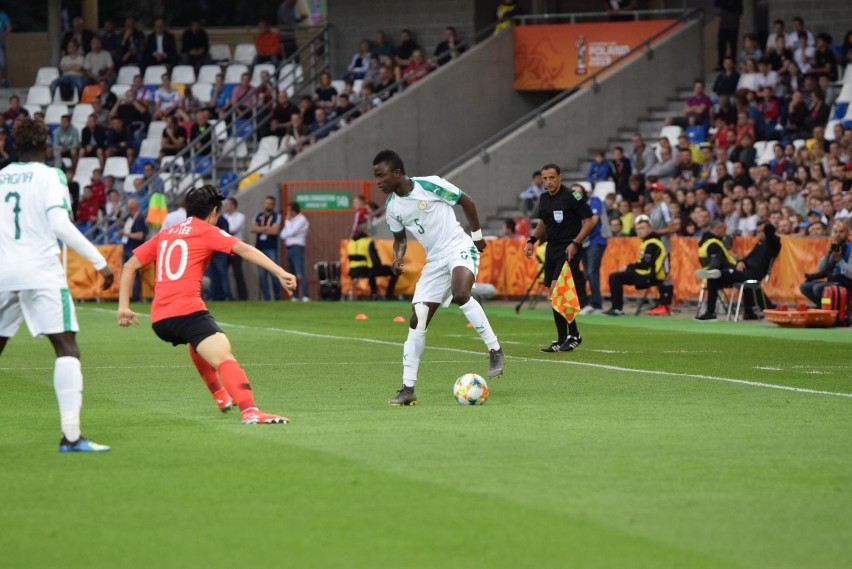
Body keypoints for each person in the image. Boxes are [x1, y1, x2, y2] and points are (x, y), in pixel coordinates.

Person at [117, 185, 296, 424]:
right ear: (213, 213)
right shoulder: (207, 230)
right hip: (187, 311)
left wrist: (123, 306)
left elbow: (129, 265)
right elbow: (242, 248)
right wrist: (279, 271)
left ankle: (221, 396)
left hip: (160, 320)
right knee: (224, 357)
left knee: (198, 341)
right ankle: (250, 410)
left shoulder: (167, 233)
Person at [0, 117, 113, 452]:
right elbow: (59, 224)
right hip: (41, 273)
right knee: (67, 348)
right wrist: (100, 263)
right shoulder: (51, 176)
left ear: (13, 145)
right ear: (46, 146)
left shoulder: (2, 178)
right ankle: (72, 436)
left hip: (4, 273)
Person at [373, 149, 503, 406]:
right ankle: (408, 388)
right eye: (376, 176)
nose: (378, 181)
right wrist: (397, 257)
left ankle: (495, 349)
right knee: (417, 320)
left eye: (381, 175)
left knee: (461, 293)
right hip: (434, 262)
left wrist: (477, 237)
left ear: (397, 173)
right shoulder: (392, 207)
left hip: (458, 248)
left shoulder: (430, 185)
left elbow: (467, 201)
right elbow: (400, 239)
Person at [523, 164, 595, 352]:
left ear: (559, 177)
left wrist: (576, 242)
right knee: (553, 295)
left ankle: (575, 334)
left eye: (551, 178)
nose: (548, 182)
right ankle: (562, 338)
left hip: (569, 248)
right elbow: (543, 223)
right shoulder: (544, 198)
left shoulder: (572, 196)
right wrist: (532, 239)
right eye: (545, 178)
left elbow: (590, 221)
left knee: (558, 291)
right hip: (552, 248)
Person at [695, 221, 781, 321]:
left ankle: (713, 268)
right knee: (713, 278)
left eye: (762, 231)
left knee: (719, 265)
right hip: (743, 272)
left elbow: (770, 230)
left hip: (751, 274)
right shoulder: (759, 244)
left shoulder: (773, 244)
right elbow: (748, 258)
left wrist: (766, 224)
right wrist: (740, 262)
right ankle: (710, 313)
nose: (759, 234)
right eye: (757, 232)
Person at [800, 220, 851, 306]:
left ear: (847, 233)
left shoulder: (850, 248)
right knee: (805, 287)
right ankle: (824, 307)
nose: (838, 234)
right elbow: (821, 269)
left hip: (847, 283)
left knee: (818, 289)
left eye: (841, 232)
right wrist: (827, 255)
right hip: (834, 280)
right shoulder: (834, 246)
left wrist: (839, 260)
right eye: (835, 232)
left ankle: (834, 309)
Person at [347, 220, 399, 300]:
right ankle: (388, 295)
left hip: (353, 270)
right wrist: (380, 266)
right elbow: (374, 258)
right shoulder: (368, 241)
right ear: (365, 230)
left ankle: (374, 292)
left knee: (372, 271)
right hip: (366, 270)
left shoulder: (351, 242)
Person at [579, 187, 608, 314]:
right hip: (584, 242)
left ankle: (596, 304)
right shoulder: (575, 206)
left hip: (596, 240)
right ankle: (591, 302)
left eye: (578, 191)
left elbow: (593, 220)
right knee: (587, 273)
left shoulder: (593, 200)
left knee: (591, 272)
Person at [250, 196, 283, 300]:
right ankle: (267, 298)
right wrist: (267, 228)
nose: (267, 205)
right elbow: (253, 228)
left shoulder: (277, 216)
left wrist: (260, 229)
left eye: (270, 203)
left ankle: (277, 297)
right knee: (262, 275)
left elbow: (274, 231)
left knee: (274, 274)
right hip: (259, 248)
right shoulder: (258, 215)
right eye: (266, 203)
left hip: (271, 248)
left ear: (273, 205)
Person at [279, 201, 310, 301]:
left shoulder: (301, 219)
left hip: (297, 247)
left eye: (288, 210)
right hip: (289, 248)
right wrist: (288, 224)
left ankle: (305, 296)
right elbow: (282, 235)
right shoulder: (291, 221)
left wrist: (287, 222)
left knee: (300, 272)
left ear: (293, 210)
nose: (287, 213)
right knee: (291, 273)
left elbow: (291, 232)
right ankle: (295, 296)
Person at [222, 197, 249, 301]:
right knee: (224, 272)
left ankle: (243, 296)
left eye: (228, 204)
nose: (226, 206)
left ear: (233, 205)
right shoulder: (224, 216)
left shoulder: (240, 216)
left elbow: (233, 229)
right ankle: (227, 295)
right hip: (226, 247)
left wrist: (223, 231)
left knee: (238, 272)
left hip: (237, 247)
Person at [0, 10, 11, 87]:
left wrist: (2, 36)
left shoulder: (2, 15)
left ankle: (4, 82)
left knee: (3, 64)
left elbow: (9, 27)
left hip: (0, 44)